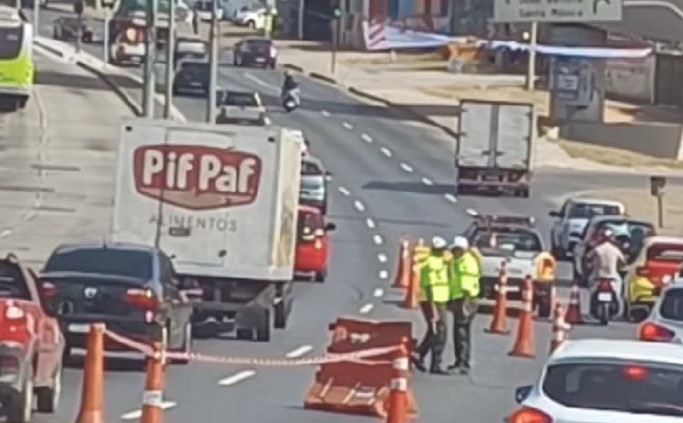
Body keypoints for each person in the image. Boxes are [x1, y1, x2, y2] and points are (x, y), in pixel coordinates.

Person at [412, 236, 452, 375]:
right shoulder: (431, 263)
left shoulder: (439, 260)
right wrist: (434, 310)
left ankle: (419, 354)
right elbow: (430, 286)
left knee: (433, 331)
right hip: (432, 301)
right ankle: (435, 364)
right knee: (440, 332)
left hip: (438, 300)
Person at [447, 236, 481, 375]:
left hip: (465, 299)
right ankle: (460, 361)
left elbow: (466, 283)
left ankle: (462, 362)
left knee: (461, 331)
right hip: (460, 298)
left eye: (457, 249)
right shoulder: (458, 261)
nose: (454, 252)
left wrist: (464, 303)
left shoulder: (465, 262)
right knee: (461, 331)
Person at [586, 229, 626, 301]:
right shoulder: (615, 249)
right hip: (613, 277)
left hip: (597, 276)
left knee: (590, 284)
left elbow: (588, 257)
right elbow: (623, 261)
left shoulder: (597, 249)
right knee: (619, 286)